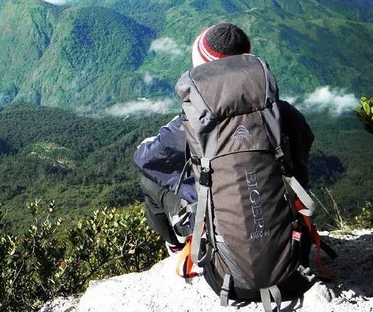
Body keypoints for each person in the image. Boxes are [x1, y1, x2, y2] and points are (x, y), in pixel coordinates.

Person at [133, 23, 314, 254]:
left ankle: (177, 246)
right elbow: (303, 149)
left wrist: (147, 143)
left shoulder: (189, 125)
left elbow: (145, 158)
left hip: (224, 252)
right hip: (286, 234)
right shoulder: (283, 112)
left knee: (149, 180)